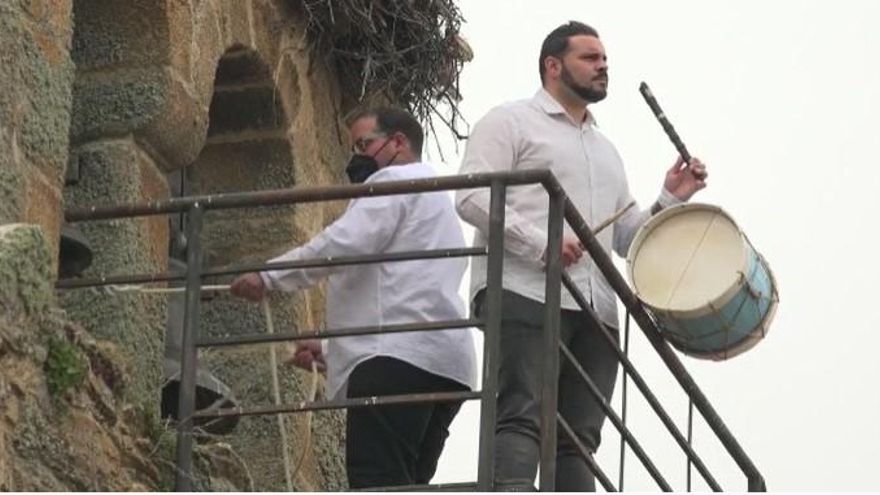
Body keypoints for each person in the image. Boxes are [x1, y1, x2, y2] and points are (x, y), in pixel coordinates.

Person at [455, 21, 708, 491]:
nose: (603, 66)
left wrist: (670, 199)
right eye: (590, 58)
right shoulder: (509, 121)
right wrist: (542, 240)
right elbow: (470, 196)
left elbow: (627, 238)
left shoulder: (606, 151)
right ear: (553, 66)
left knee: (578, 439)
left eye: (604, 59)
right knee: (521, 415)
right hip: (523, 289)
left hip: (596, 310)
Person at [230, 107, 477, 489]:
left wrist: (269, 276)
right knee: (406, 482)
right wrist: (331, 350)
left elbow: (343, 244)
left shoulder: (395, 180)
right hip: (446, 364)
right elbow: (401, 293)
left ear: (398, 142)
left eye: (365, 144)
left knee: (376, 480)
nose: (357, 156)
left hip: (396, 359)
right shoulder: (435, 200)